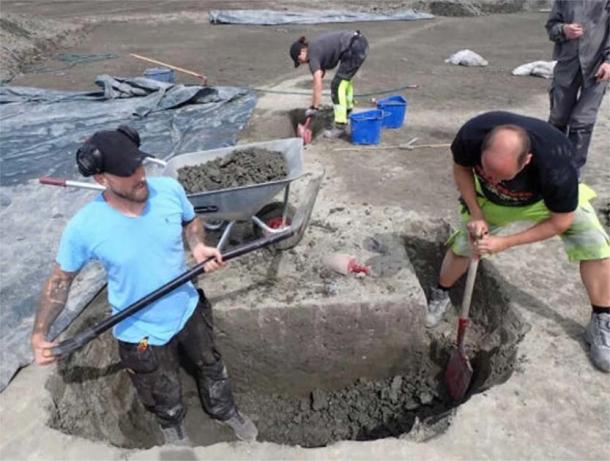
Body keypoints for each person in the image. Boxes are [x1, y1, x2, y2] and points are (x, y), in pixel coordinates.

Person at [30, 127, 258, 445]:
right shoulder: (84, 228)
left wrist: (197, 246)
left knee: (210, 363)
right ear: (101, 180)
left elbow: (191, 221)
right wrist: (40, 332)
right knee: (157, 383)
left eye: (139, 165)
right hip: (141, 335)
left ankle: (224, 410)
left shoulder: (168, 190)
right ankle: (172, 425)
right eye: (127, 172)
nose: (140, 175)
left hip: (187, 310)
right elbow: (59, 281)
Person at [425, 111, 610, 373]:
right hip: (492, 203)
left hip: (543, 203)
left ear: (527, 161)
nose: (494, 180)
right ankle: (440, 293)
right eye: (488, 173)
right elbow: (461, 169)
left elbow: (560, 222)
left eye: (502, 176)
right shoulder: (471, 135)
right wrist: (476, 214)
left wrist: (505, 242)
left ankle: (603, 318)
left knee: (594, 242)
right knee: (465, 246)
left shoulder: (557, 164)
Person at [545, 0, 610, 175]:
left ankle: (573, 175)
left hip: (597, 67)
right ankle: (551, 168)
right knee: (558, 118)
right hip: (567, 65)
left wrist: (608, 61)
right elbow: (551, 27)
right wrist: (563, 30)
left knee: (582, 121)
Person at [289, 30, 369, 138]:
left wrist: (314, 107)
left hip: (354, 47)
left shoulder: (312, 54)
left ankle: (340, 125)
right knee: (344, 81)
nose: (301, 63)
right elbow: (325, 60)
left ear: (303, 51)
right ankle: (347, 110)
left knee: (337, 86)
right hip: (358, 43)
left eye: (299, 60)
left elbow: (318, 83)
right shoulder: (315, 47)